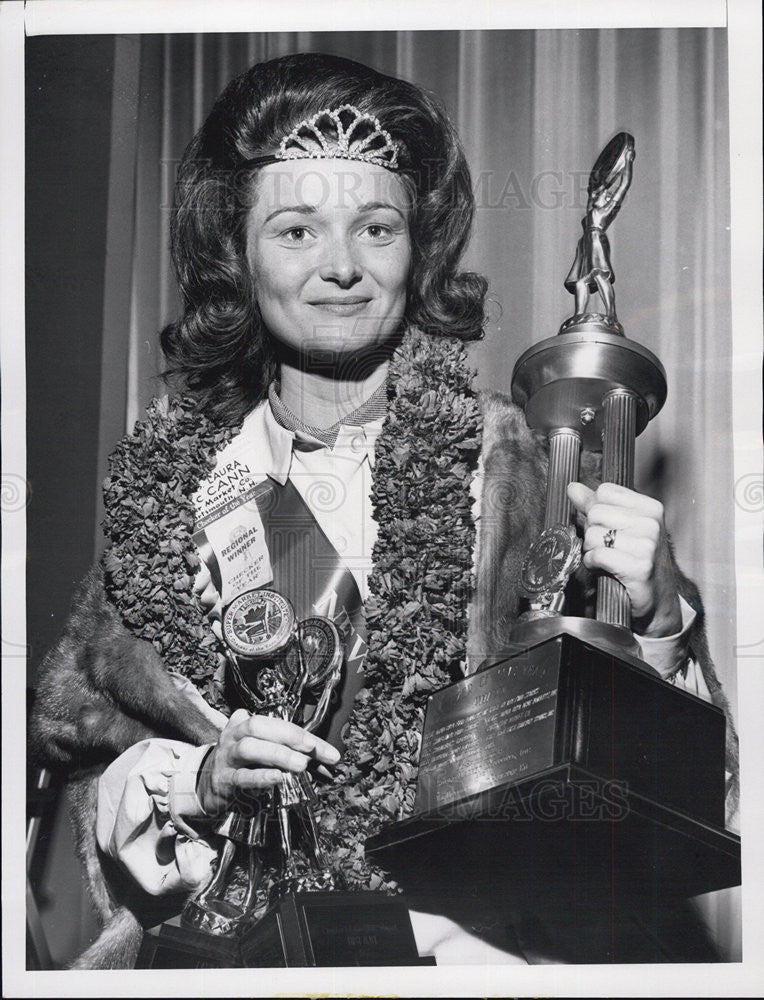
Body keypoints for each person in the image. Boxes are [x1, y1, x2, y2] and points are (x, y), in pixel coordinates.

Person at [30, 52, 737, 968]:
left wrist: (657, 617)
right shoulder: (173, 498)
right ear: (236, 259)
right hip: (223, 955)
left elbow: (664, 800)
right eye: (294, 232)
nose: (341, 268)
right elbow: (89, 774)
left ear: (419, 253)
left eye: (376, 227)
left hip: (479, 953)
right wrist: (200, 781)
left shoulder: (523, 466)